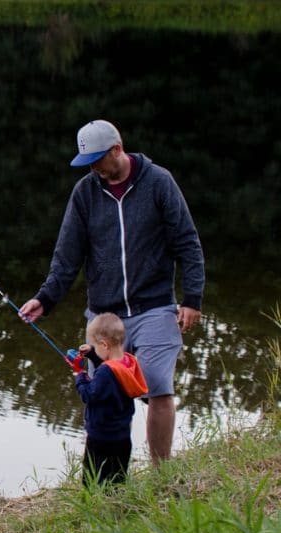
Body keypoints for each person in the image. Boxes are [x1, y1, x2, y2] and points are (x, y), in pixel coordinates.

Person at [18, 119, 204, 467]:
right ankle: (104, 475)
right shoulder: (85, 193)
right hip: (104, 315)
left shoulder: (158, 182)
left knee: (157, 386)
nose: (93, 169)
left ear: (117, 150)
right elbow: (67, 254)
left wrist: (192, 297)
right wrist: (45, 298)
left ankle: (161, 473)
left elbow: (187, 241)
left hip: (155, 306)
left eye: (98, 160)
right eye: (88, 163)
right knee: (102, 394)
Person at [72, 312, 148, 486]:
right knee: (117, 478)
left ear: (104, 344)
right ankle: (117, 504)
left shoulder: (106, 372)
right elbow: (108, 374)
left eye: (96, 346)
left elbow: (89, 395)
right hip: (122, 437)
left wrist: (79, 374)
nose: (95, 349)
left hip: (101, 438)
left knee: (92, 479)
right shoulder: (128, 362)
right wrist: (92, 354)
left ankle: (92, 507)